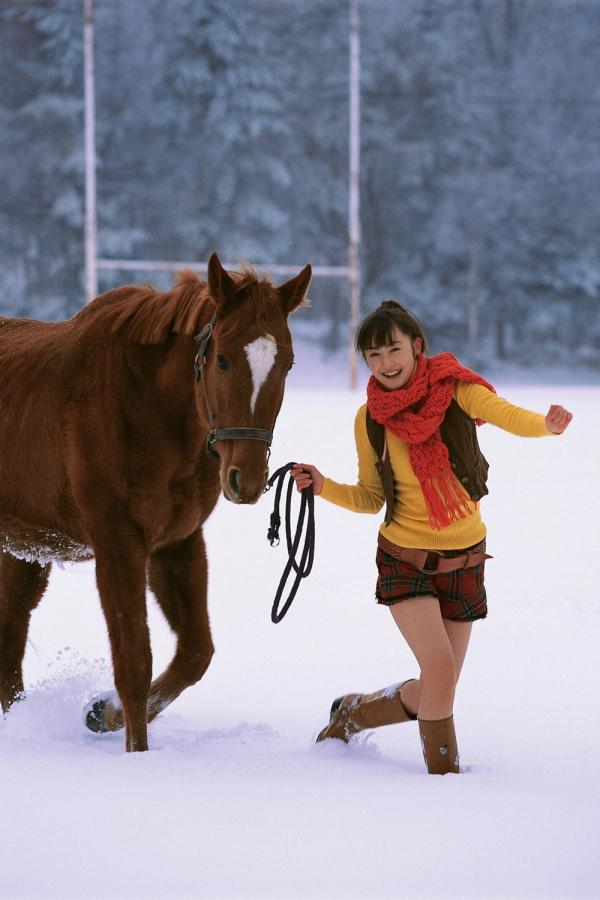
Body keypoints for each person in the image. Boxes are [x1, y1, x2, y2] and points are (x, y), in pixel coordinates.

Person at [291, 301, 573, 775]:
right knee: (440, 672)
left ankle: (354, 713)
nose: (385, 363)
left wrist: (545, 426)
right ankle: (444, 781)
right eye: (374, 355)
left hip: (466, 560)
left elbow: (504, 414)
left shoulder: (455, 390)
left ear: (417, 346)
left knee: (436, 687)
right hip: (404, 560)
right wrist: (322, 486)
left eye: (393, 349)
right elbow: (369, 496)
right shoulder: (370, 419)